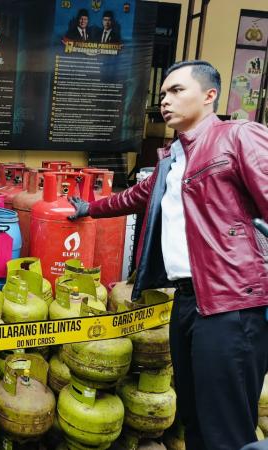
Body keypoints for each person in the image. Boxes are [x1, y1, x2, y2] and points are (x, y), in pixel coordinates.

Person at [69, 60, 268, 450]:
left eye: (177, 90)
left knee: (225, 428)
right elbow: (132, 198)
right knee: (193, 417)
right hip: (189, 301)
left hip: (232, 303)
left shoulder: (238, 136)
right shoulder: (172, 159)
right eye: (162, 93)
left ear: (209, 95)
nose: (165, 100)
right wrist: (89, 208)